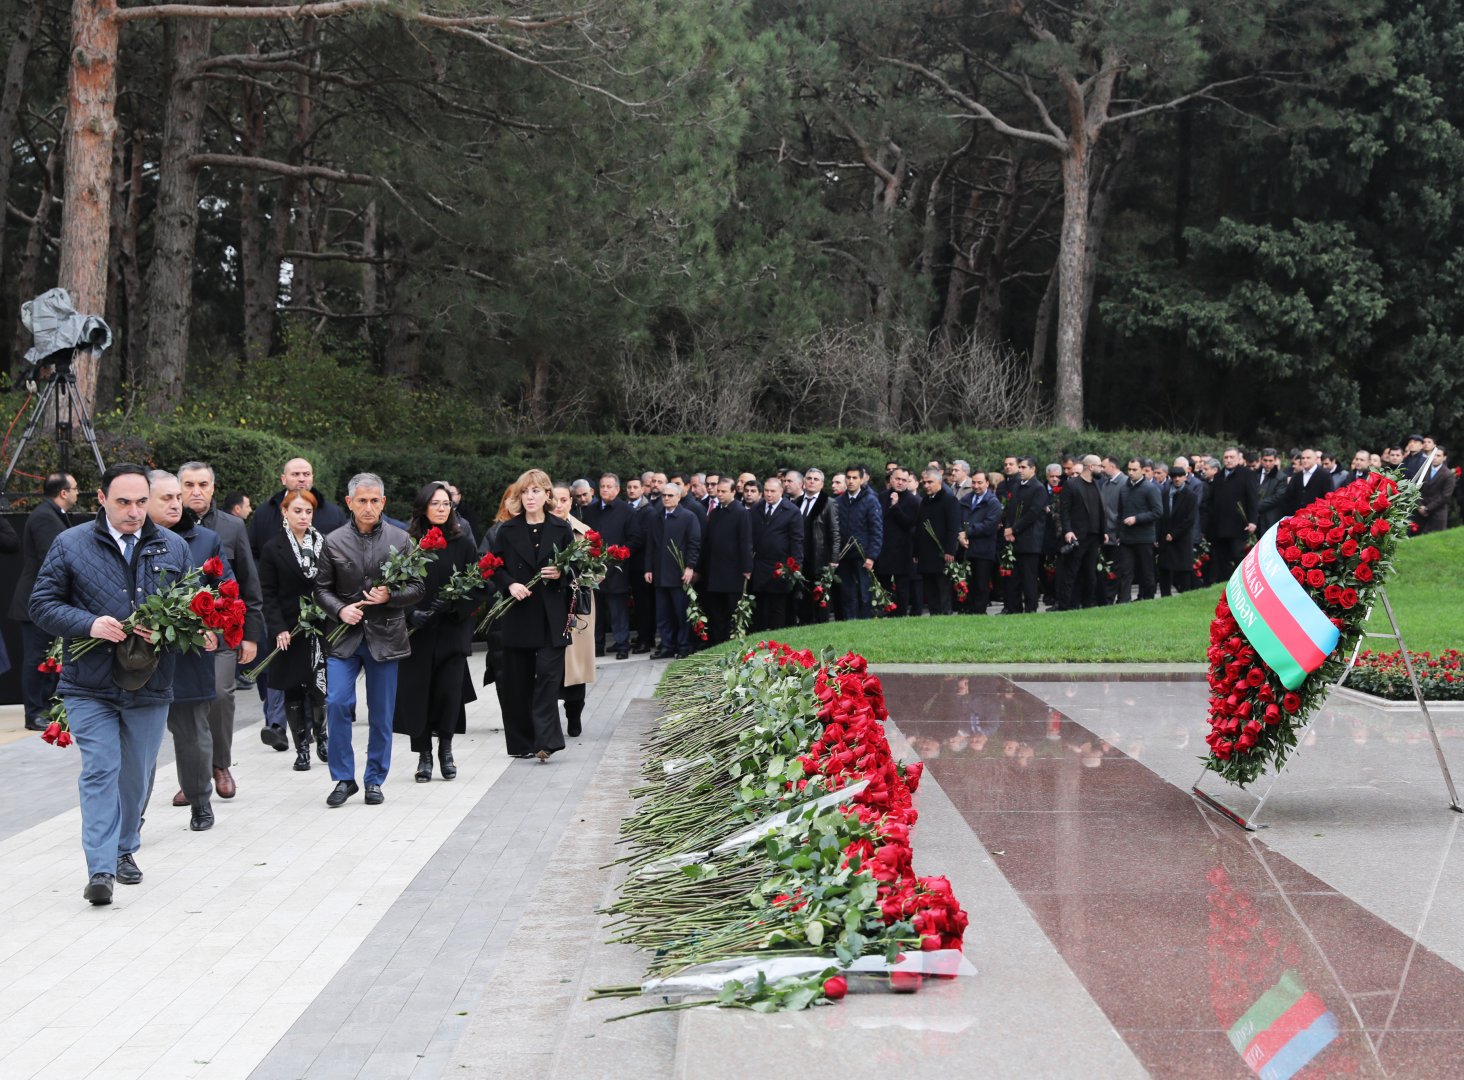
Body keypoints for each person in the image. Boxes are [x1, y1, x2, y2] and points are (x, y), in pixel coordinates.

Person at [29, 463, 196, 905]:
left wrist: (174, 630)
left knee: (137, 778)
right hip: (89, 685)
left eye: (142, 502)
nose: (134, 511)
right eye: (123, 502)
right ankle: (100, 868)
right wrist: (89, 624)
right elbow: (41, 604)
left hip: (150, 683)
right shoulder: (70, 544)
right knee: (100, 770)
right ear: (101, 500)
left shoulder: (173, 547)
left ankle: (125, 848)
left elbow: (191, 613)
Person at [315, 472, 425, 806]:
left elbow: (418, 587)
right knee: (336, 703)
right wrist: (339, 610)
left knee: (381, 712)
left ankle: (375, 778)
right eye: (361, 500)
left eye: (374, 500)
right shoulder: (332, 541)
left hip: (386, 637)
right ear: (349, 502)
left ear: (383, 502)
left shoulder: (401, 539)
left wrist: (389, 596)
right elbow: (321, 589)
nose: (368, 507)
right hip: (344, 638)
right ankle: (343, 778)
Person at [177, 461, 263, 800]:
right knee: (185, 705)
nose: (196, 491)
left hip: (222, 632)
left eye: (202, 484)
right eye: (188, 484)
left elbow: (249, 583)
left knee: (220, 694)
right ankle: (193, 778)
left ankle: (220, 764)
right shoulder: (166, 526)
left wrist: (251, 634)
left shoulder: (232, 527)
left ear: (213, 488)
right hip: (181, 634)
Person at [144, 471, 225, 832]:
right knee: (138, 740)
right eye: (167, 498)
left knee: (193, 735)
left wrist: (211, 623)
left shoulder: (205, 540)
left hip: (188, 656)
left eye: (178, 496)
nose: (177, 503)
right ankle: (132, 816)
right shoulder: (128, 543)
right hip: (139, 657)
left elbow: (226, 588)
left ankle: (200, 802)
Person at [396, 482, 480, 781]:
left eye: (447, 504)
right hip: (417, 633)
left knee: (448, 692)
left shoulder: (463, 541)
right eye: (436, 504)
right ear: (424, 508)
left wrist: (456, 607)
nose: (442, 509)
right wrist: (409, 613)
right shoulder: (408, 543)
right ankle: (424, 755)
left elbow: (477, 584)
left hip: (451, 630)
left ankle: (446, 748)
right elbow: (393, 584)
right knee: (418, 694)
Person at [490, 469, 572, 762]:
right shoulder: (507, 530)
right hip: (519, 613)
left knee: (549, 679)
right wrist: (510, 584)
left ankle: (546, 741)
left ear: (548, 495)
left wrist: (561, 572)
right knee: (517, 682)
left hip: (551, 615)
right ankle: (522, 742)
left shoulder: (561, 529)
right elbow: (493, 567)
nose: (530, 497)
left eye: (536, 491)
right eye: (525, 492)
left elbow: (575, 569)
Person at [259, 489, 330, 772]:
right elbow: (268, 592)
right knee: (294, 691)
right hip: (289, 630)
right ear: (285, 513)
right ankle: (301, 749)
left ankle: (322, 738)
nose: (303, 516)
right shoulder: (272, 547)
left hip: (320, 628)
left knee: (320, 689)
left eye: (308, 511)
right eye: (297, 511)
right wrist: (278, 628)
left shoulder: (324, 543)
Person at [10, 472, 77, 730]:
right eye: (74, 489)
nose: (76, 493)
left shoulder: (53, 515)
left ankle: (47, 709)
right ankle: (35, 712)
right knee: (36, 658)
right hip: (35, 602)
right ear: (63, 492)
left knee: (48, 657)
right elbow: (53, 558)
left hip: (47, 601)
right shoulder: (44, 517)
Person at [550, 485, 596, 737]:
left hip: (576, 606)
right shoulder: (539, 531)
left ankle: (574, 713)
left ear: (571, 501)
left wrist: (579, 575)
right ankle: (549, 722)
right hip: (547, 605)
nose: (559, 504)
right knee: (549, 665)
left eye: (564, 499)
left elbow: (601, 570)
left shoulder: (585, 533)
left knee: (575, 666)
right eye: (554, 500)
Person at [645, 482, 702, 657]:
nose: (667, 499)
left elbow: (694, 543)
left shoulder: (688, 517)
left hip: (679, 573)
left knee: (681, 612)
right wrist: (648, 568)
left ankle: (684, 645)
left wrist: (690, 567)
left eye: (670, 495)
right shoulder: (656, 517)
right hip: (661, 574)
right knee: (663, 615)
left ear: (678, 497)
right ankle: (667, 646)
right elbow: (651, 545)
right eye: (664, 495)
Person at [582, 473, 633, 659]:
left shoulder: (627, 511)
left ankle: (622, 646)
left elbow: (634, 539)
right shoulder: (590, 510)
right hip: (594, 569)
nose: (605, 489)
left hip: (617, 569)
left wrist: (617, 556)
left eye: (609, 486)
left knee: (618, 611)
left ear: (618, 489)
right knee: (596, 612)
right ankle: (597, 646)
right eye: (602, 486)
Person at [697, 476, 753, 644]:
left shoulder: (741, 512)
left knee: (731, 611)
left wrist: (747, 568)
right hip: (714, 571)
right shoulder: (715, 513)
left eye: (723, 491)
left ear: (734, 492)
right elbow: (707, 542)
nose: (719, 494)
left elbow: (745, 542)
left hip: (732, 572)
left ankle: (733, 643)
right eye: (718, 491)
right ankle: (717, 642)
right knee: (716, 613)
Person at [749, 475, 803, 631]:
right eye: (766, 491)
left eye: (772, 491)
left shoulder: (791, 511)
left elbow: (797, 541)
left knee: (777, 608)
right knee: (759, 608)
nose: (769, 494)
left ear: (781, 491)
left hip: (780, 567)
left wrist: (795, 568)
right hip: (759, 565)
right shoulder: (756, 509)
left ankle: (776, 642)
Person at [792, 468, 840, 625]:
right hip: (800, 558)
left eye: (816, 479)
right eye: (809, 478)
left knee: (820, 596)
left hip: (820, 557)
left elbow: (834, 533)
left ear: (822, 484)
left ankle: (821, 625)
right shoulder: (796, 502)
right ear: (804, 481)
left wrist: (833, 559)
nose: (812, 481)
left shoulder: (829, 503)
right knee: (802, 595)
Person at [1002, 457, 1049, 614]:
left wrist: (1013, 529)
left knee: (1029, 577)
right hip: (1014, 539)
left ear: (1033, 469)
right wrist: (1008, 528)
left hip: (1029, 540)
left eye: (1023, 467)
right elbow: (1010, 510)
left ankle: (1030, 608)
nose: (1020, 470)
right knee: (1014, 578)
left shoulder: (1038, 488)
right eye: (1019, 467)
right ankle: (1014, 608)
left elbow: (1033, 514)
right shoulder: (1016, 485)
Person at [1057, 456, 1104, 610]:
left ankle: (1087, 604)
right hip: (1077, 536)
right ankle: (1066, 606)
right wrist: (1068, 531)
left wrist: (1103, 531)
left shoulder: (1097, 484)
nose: (1102, 469)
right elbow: (1064, 511)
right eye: (1099, 466)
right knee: (1071, 573)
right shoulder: (1072, 485)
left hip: (1094, 536)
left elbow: (1099, 510)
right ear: (1090, 467)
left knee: (1090, 574)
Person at [836, 465, 882, 619]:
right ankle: (850, 621)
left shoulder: (870, 501)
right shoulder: (839, 501)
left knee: (865, 593)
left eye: (854, 478)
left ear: (862, 479)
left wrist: (871, 556)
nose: (850, 481)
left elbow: (876, 530)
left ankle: (865, 622)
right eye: (848, 477)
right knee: (846, 592)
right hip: (844, 555)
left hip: (863, 555)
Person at [1206, 447, 1258, 583]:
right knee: (1222, 557)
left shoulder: (1247, 474)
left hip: (1238, 525)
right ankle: (1226, 583)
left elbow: (1253, 499)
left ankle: (1241, 582)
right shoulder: (1218, 476)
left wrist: (1253, 521)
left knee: (1237, 554)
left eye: (1231, 457)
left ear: (1238, 458)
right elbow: (1212, 501)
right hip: (1220, 526)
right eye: (1226, 457)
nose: (1228, 460)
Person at [915, 467, 961, 615]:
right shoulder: (924, 501)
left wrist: (950, 550)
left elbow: (953, 527)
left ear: (939, 482)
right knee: (929, 586)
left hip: (941, 552)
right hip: (926, 552)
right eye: (924, 483)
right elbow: (919, 527)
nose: (926, 485)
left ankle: (945, 613)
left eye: (930, 482)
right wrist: (916, 551)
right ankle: (934, 614)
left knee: (942, 586)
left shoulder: (949, 500)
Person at [1115, 458, 1161, 602]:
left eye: (1134, 470)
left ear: (1142, 470)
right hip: (1126, 538)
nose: (1131, 473)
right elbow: (1120, 513)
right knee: (1125, 571)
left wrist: (1136, 519)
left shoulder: (1150, 488)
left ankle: (1147, 598)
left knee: (1146, 571)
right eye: (1129, 469)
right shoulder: (1124, 488)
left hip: (1144, 537)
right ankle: (1124, 600)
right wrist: (1118, 533)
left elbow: (1158, 512)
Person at [875, 467, 919, 616]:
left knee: (902, 587)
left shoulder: (913, 501)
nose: (900, 483)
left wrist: (896, 507)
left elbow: (909, 524)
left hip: (903, 550)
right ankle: (886, 611)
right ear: (891, 479)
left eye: (904, 480)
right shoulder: (881, 496)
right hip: (884, 549)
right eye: (897, 479)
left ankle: (900, 614)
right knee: (884, 584)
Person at [959, 471, 1002, 615]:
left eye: (980, 483)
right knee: (968, 581)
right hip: (967, 547)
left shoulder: (993, 502)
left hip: (984, 549)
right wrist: (960, 535)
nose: (976, 486)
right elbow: (958, 520)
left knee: (981, 583)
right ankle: (968, 608)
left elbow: (989, 525)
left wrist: (967, 532)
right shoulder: (966, 499)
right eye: (974, 482)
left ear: (987, 483)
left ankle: (979, 611)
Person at [1158, 466, 1199, 597]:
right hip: (1165, 537)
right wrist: (1160, 535)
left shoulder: (1190, 495)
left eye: (1180, 476)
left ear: (1185, 477)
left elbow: (1190, 519)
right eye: (1174, 476)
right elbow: (1160, 516)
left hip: (1182, 538)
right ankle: (1165, 596)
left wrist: (1174, 534)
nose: (1177, 479)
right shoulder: (1165, 494)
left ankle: (1185, 595)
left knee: (1183, 569)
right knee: (1164, 568)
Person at [1413, 447, 1455, 533]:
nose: (1435, 457)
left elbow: (1445, 496)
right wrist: (1419, 506)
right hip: (1419, 511)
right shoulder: (1423, 470)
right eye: (1433, 455)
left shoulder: (1448, 474)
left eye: (1438, 455)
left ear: (1444, 458)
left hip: (1437, 514)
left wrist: (1427, 508)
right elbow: (1414, 489)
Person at [1283, 449, 1332, 517]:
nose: (1305, 460)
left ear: (1315, 459)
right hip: (1297, 517)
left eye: (1308, 458)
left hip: (1317, 517)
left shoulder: (1325, 475)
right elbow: (1289, 496)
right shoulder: (1296, 476)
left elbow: (1328, 497)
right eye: (1303, 458)